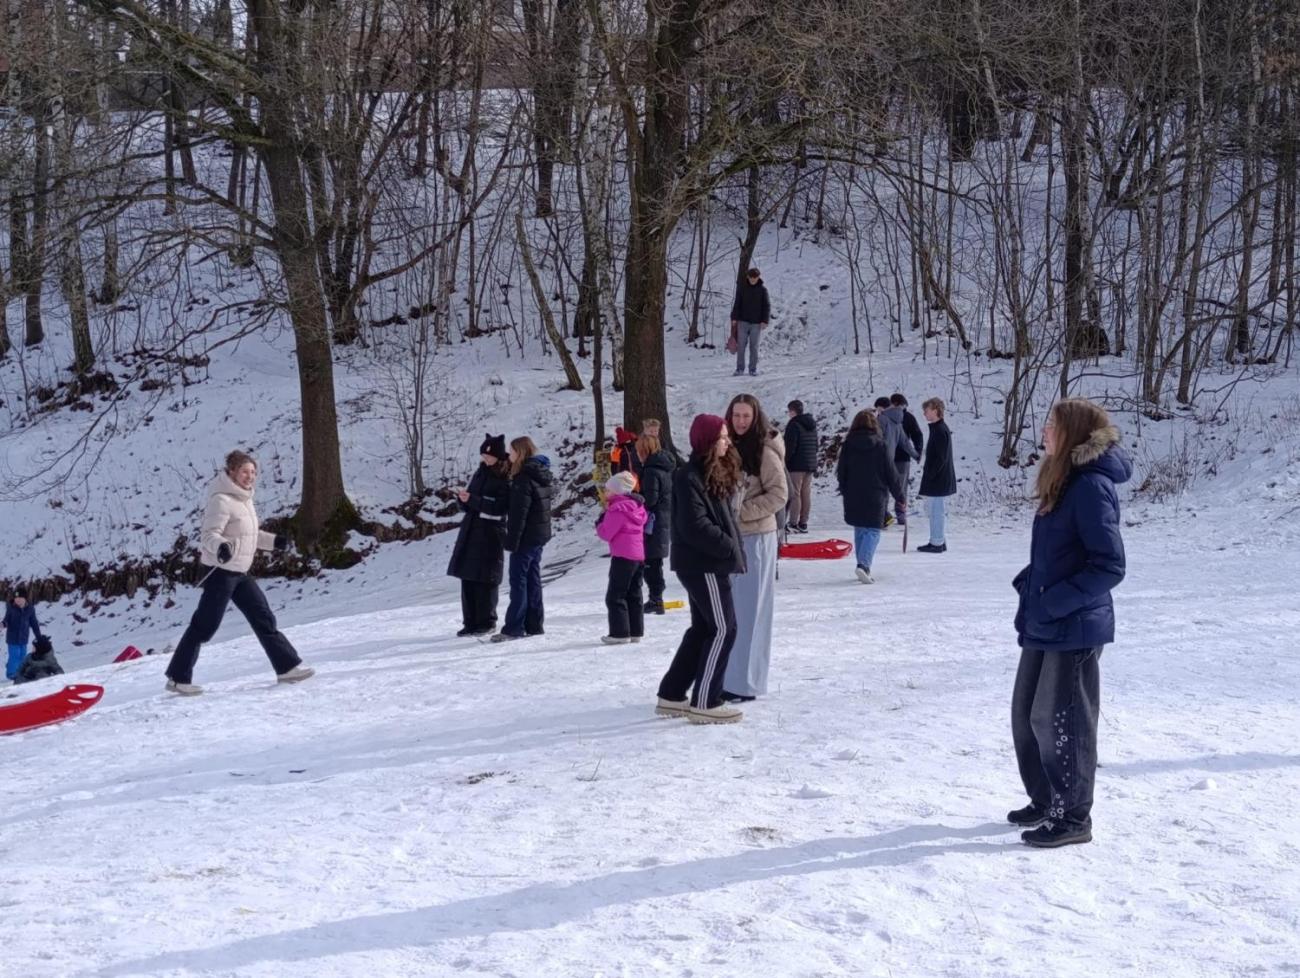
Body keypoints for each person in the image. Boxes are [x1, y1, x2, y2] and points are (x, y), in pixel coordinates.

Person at [1010, 398, 1130, 848]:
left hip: (1074, 624)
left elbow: (1109, 565)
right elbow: (1059, 553)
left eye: (1052, 425)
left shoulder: (1090, 486)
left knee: (1063, 720)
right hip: (1044, 617)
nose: (1044, 431)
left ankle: (1073, 815)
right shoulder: (1061, 478)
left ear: (1074, 433)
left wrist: (1055, 600)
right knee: (1026, 715)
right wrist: (1032, 585)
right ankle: (1046, 800)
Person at [164, 451, 314, 695]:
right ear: (232, 472)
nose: (250, 476)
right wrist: (221, 547)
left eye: (253, 472)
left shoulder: (245, 500)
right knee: (205, 626)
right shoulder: (221, 500)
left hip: (239, 572)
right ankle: (177, 678)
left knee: (263, 618)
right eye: (245, 471)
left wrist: (274, 542)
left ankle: (287, 667)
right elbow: (209, 535)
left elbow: (248, 536)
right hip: (220, 572)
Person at [656, 414, 747, 724]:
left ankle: (671, 693)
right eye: (722, 436)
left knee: (704, 628)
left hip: (707, 563)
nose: (727, 441)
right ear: (708, 440)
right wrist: (728, 546)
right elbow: (694, 526)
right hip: (703, 564)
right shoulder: (688, 476)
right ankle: (707, 700)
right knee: (724, 628)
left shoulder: (709, 471)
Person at [721, 394, 787, 702]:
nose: (741, 421)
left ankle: (745, 683)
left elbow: (779, 495)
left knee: (752, 612)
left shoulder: (764, 450)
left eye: (746, 416)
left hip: (757, 537)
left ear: (755, 416)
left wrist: (741, 513)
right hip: (733, 538)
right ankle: (730, 676)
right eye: (736, 415)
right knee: (732, 613)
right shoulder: (728, 446)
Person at [447, 434, 511, 636]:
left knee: (486, 578)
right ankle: (470, 621)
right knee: (468, 577)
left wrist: (473, 500)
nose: (485, 459)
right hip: (471, 529)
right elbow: (472, 499)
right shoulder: (480, 472)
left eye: (489, 456)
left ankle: (486, 621)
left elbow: (500, 506)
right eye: (483, 455)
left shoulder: (505, 475)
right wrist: (463, 500)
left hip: (491, 532)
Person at [494, 437, 554, 642]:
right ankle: (534, 624)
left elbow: (519, 515)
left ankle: (514, 627)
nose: (508, 456)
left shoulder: (523, 478)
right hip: (539, 536)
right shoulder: (540, 474)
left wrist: (511, 542)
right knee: (532, 579)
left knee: (518, 581)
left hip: (527, 538)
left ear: (519, 453)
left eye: (511, 452)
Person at [836, 410, 906, 584]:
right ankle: (864, 565)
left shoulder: (848, 445)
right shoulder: (880, 445)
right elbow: (891, 473)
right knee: (873, 530)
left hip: (853, 492)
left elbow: (841, 471)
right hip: (875, 492)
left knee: (860, 528)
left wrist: (844, 490)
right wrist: (900, 496)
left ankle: (862, 564)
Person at [597, 471, 648, 645]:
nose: (605, 493)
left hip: (622, 556)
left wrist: (599, 523)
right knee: (634, 593)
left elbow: (606, 533)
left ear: (617, 492)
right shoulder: (637, 507)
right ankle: (635, 631)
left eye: (608, 490)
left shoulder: (617, 509)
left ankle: (619, 633)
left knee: (616, 595)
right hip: (638, 556)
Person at [637, 431, 674, 614]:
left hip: (654, 522)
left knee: (651, 561)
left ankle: (656, 598)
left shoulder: (651, 471)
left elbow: (650, 499)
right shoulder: (664, 467)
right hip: (663, 519)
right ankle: (656, 596)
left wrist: (634, 497)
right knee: (654, 561)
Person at [918, 398, 956, 553]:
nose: (924, 413)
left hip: (938, 479)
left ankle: (937, 542)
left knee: (936, 510)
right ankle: (938, 539)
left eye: (927, 410)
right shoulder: (937, 429)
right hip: (938, 478)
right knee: (934, 509)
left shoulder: (940, 430)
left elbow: (941, 457)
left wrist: (931, 474)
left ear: (935, 410)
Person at [876, 395, 920, 524]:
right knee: (899, 487)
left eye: (878, 408)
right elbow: (905, 442)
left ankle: (882, 516)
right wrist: (915, 454)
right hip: (891, 459)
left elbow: (875, 438)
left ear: (882, 407)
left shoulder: (882, 419)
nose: (877, 411)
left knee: (881, 488)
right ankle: (899, 515)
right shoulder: (898, 422)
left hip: (879, 459)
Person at [783, 400, 818, 534]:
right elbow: (816, 444)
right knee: (806, 493)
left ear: (792, 411)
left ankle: (793, 522)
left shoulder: (794, 424)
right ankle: (803, 522)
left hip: (796, 464)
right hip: (810, 463)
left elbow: (790, 446)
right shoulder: (812, 424)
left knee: (795, 493)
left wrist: (785, 461)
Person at [729, 267, 771, 377]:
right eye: (751, 277)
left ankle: (753, 369)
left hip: (756, 323)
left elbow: (766, 306)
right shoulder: (742, 288)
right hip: (742, 321)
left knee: (754, 346)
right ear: (748, 277)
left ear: (758, 277)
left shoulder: (763, 290)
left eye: (755, 277)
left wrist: (765, 320)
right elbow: (737, 303)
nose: (753, 279)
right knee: (741, 346)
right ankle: (739, 369)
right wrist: (734, 318)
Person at [4, 588, 44, 681]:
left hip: (23, 637)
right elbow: (6, 620)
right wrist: (3, 624)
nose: (17, 599)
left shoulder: (30, 609)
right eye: (16, 597)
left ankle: (19, 671)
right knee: (15, 656)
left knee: (22, 656)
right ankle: (11, 674)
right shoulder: (11, 608)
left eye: (20, 597)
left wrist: (39, 636)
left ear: (25, 598)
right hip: (12, 638)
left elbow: (34, 623)